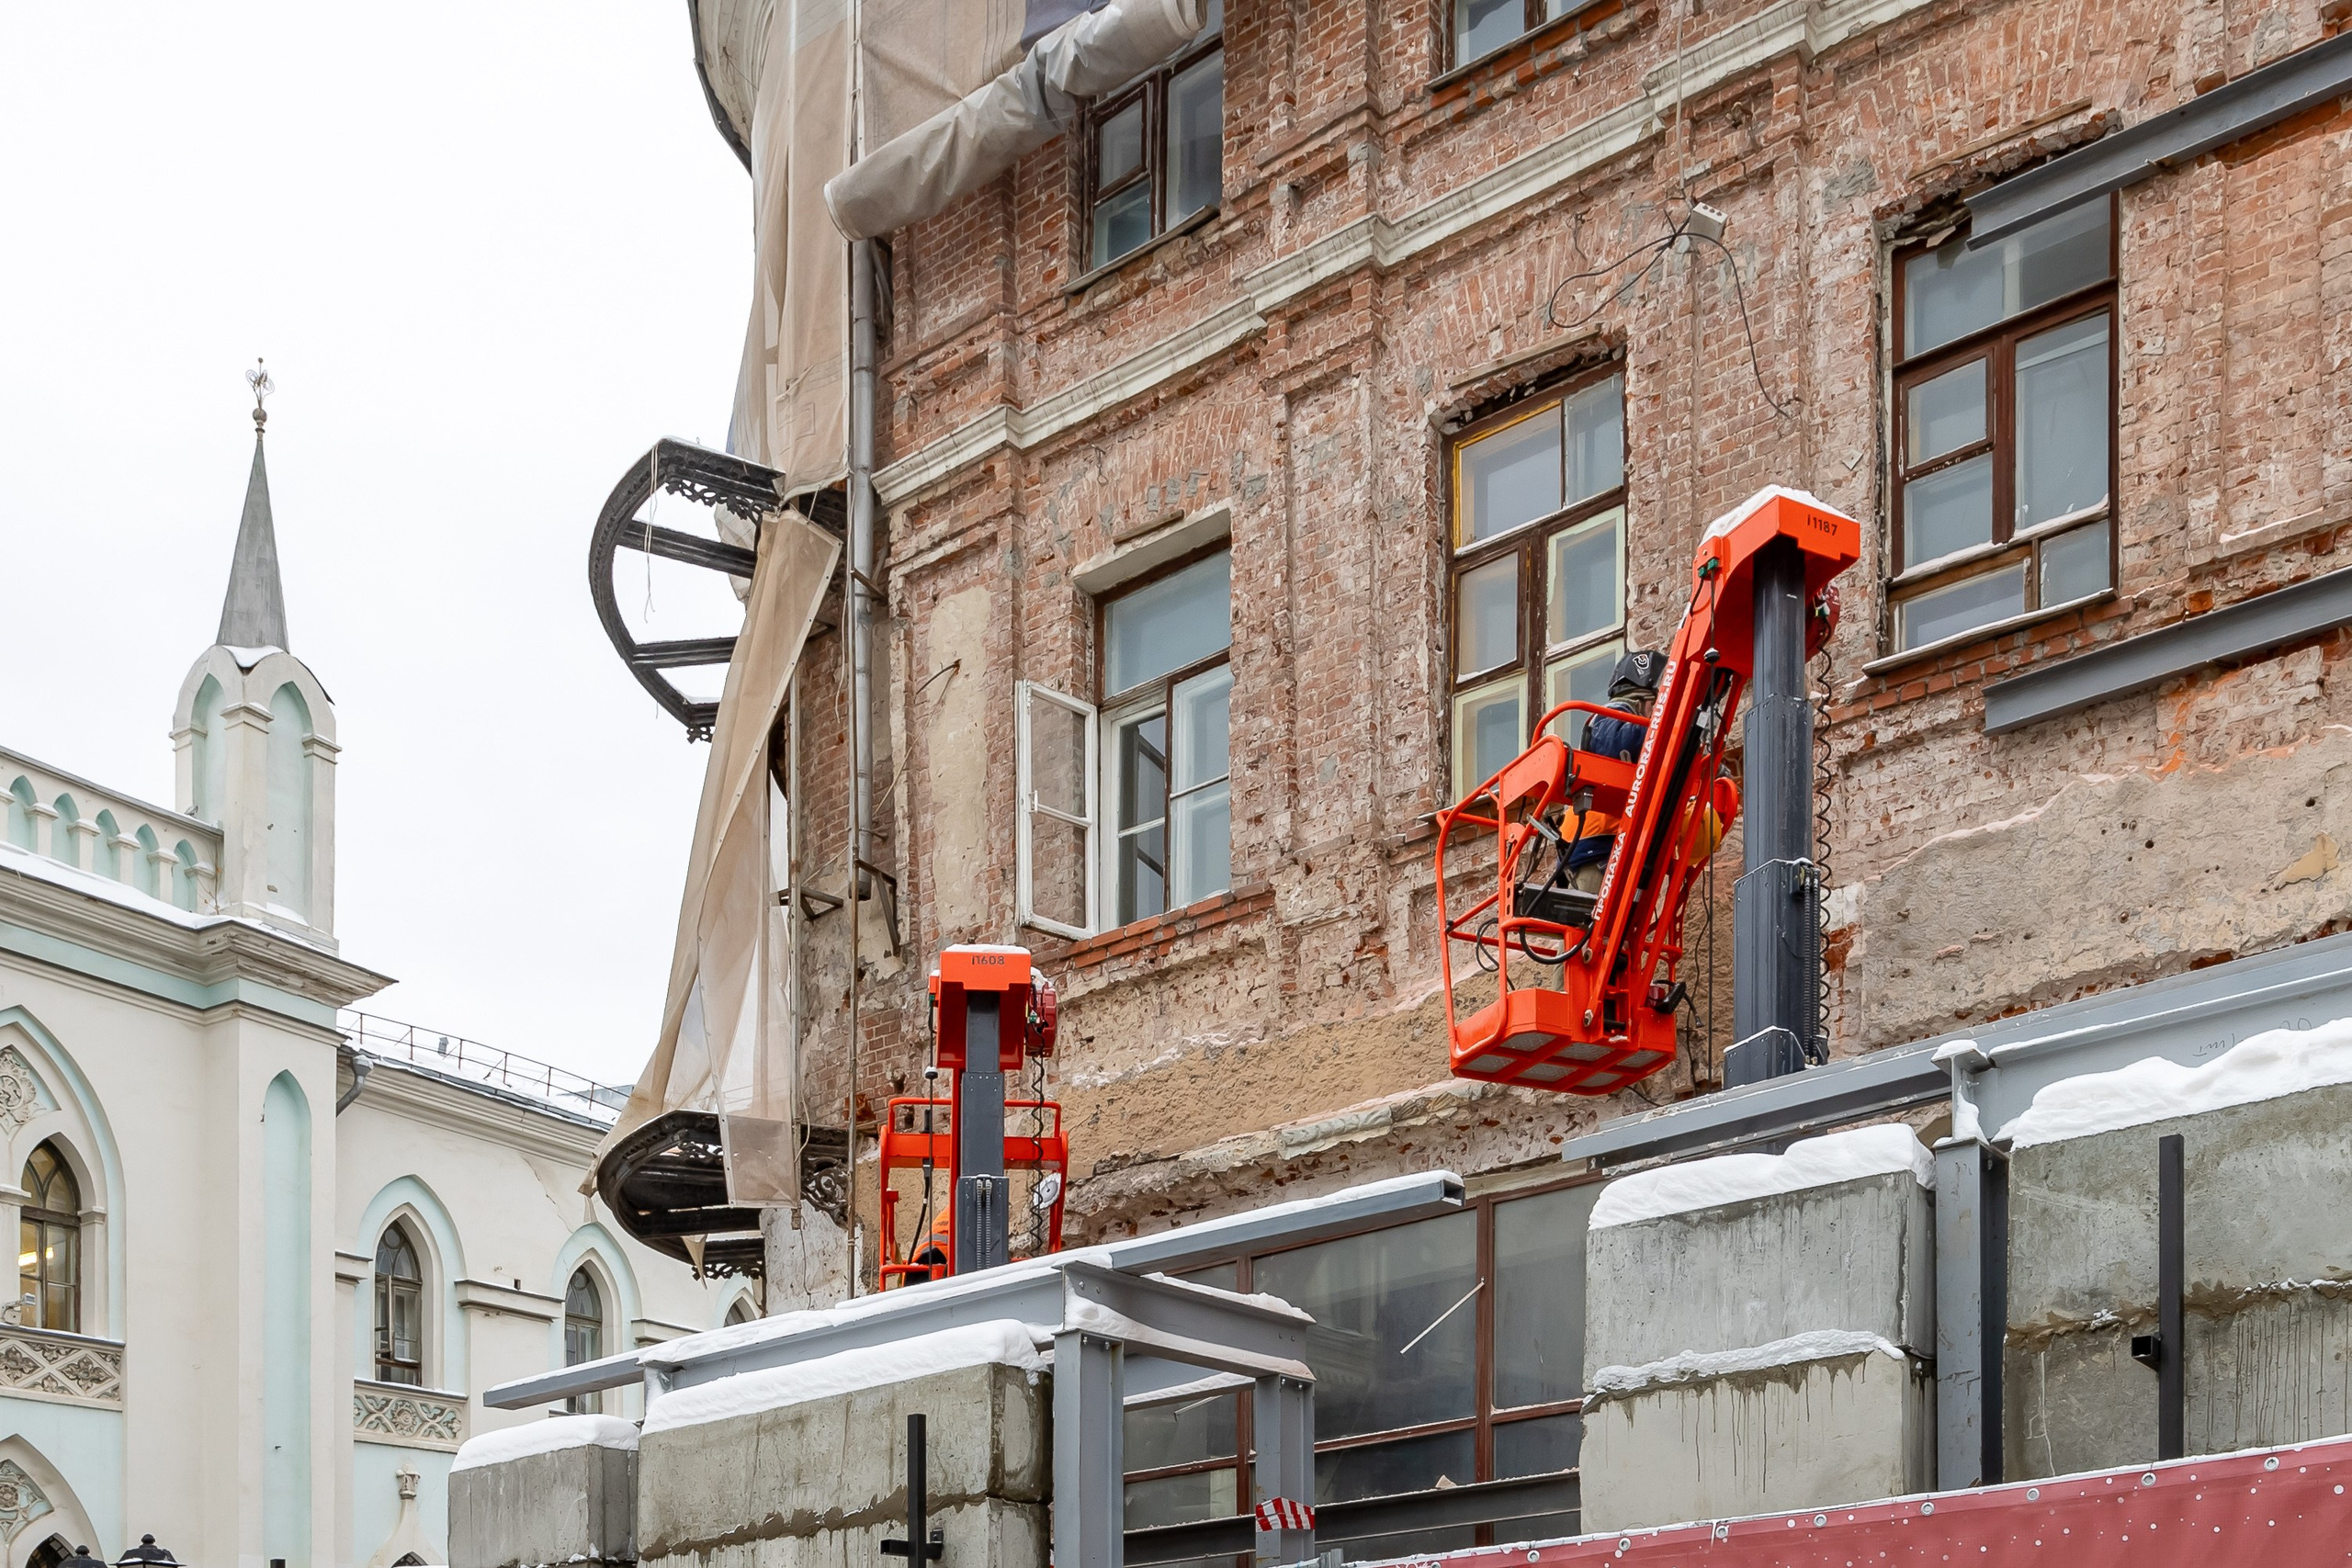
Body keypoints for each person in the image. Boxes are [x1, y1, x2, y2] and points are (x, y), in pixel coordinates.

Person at [1564, 649, 1665, 892]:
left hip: (1603, 851)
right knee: (1594, 929)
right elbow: (1618, 742)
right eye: (1656, 706)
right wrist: (1670, 730)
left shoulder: (1617, 721)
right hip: (1592, 852)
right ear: (1640, 700)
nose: (1655, 715)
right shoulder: (1609, 719)